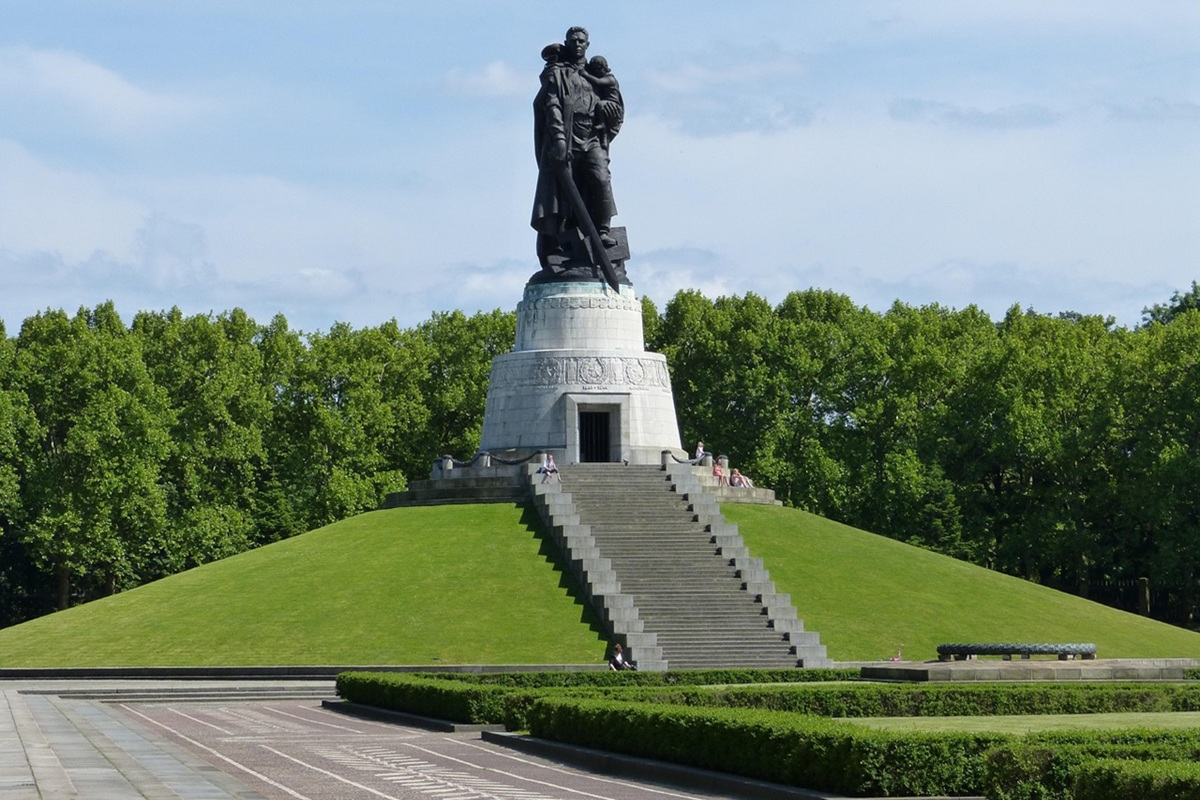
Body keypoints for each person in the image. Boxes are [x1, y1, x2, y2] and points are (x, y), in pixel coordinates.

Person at [531, 26, 624, 269]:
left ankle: (602, 231)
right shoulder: (557, 73)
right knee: (562, 195)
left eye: (582, 40)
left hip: (592, 136)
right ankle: (562, 246)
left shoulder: (596, 72)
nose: (578, 44)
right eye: (573, 40)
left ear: (588, 44)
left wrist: (607, 108)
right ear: (567, 43)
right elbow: (551, 105)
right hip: (567, 137)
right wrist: (559, 139)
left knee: (601, 178)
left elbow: (615, 104)